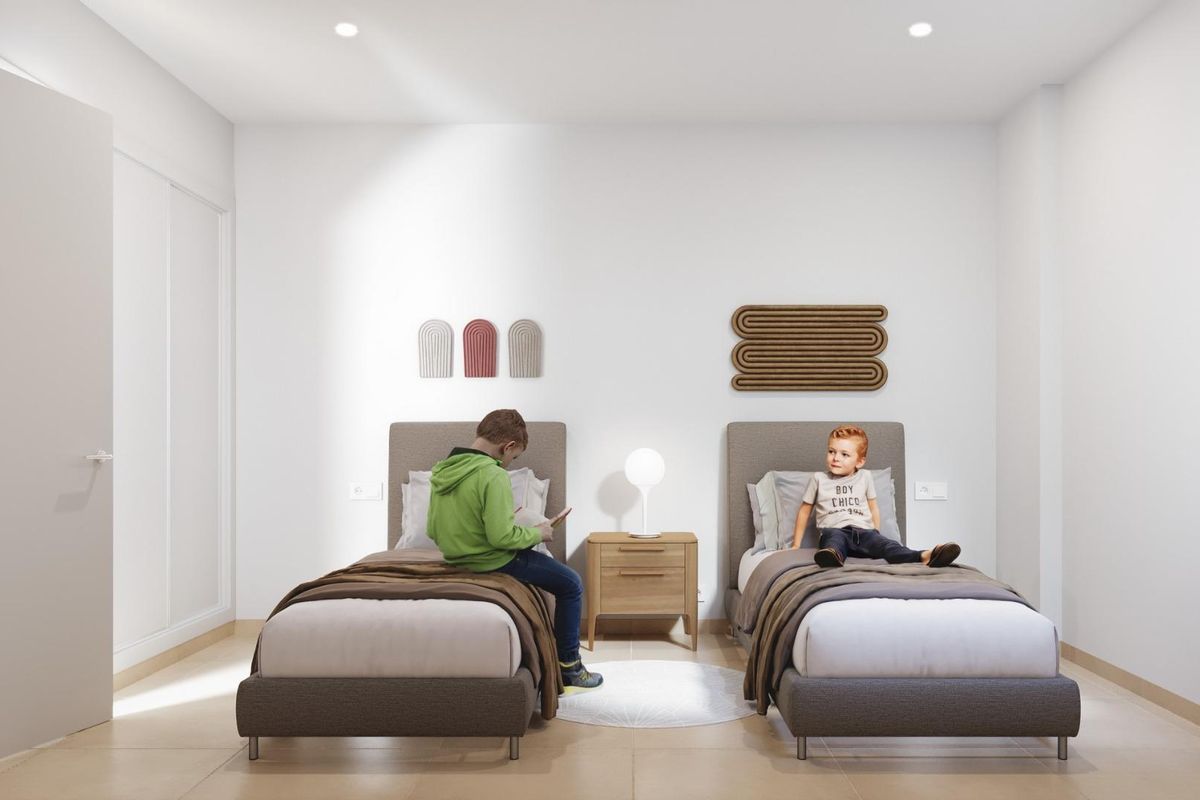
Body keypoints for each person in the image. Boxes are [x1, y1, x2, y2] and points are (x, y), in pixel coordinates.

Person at [426, 409, 603, 691]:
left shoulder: (442, 471)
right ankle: (570, 667)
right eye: (514, 457)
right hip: (493, 561)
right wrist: (539, 532)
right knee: (571, 584)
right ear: (507, 446)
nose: (509, 463)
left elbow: (433, 530)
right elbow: (501, 537)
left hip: (455, 559)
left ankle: (569, 666)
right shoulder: (493, 475)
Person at [791, 425, 961, 569]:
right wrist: (796, 545)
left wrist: (876, 532)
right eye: (831, 451)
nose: (836, 458)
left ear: (860, 461)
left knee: (888, 546)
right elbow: (805, 511)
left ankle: (926, 555)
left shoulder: (865, 477)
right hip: (835, 530)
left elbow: (873, 507)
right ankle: (833, 558)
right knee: (834, 541)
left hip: (864, 532)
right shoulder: (819, 479)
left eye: (844, 454)